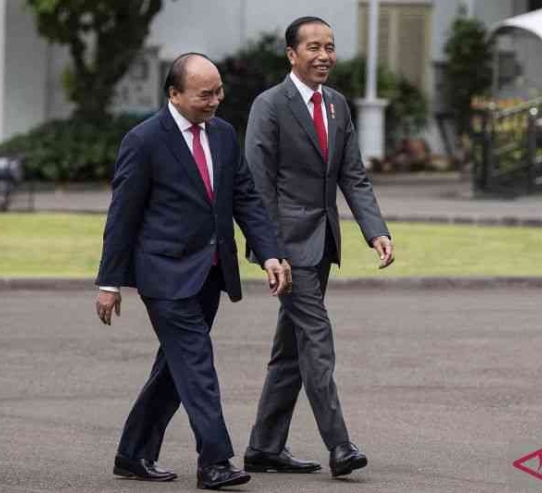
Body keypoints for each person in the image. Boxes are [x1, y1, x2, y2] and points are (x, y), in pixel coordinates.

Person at [94, 53, 290, 490]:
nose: (216, 100)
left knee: (175, 366)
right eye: (205, 93)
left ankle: (134, 453)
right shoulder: (144, 140)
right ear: (174, 94)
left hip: (211, 272)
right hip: (164, 276)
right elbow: (122, 216)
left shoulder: (222, 134)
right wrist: (110, 282)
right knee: (197, 365)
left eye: (219, 91)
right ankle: (215, 461)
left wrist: (270, 253)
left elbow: (245, 198)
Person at [243, 16, 394, 478]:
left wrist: (375, 229)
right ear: (292, 54)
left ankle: (264, 448)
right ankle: (340, 445)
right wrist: (269, 249)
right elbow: (257, 183)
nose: (324, 55)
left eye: (329, 46)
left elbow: (352, 173)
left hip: (323, 241)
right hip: (288, 248)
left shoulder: (337, 105)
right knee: (316, 339)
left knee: (290, 350)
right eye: (313, 47)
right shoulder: (269, 105)